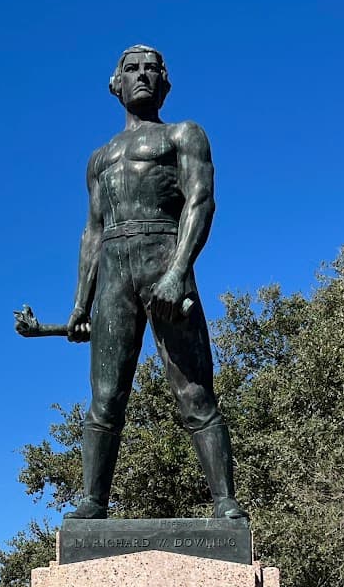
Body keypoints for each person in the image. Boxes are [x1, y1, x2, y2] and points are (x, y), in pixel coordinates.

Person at [64, 45, 246, 521]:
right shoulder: (98, 159)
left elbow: (200, 201)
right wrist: (81, 305)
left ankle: (225, 503)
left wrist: (178, 271)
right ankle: (93, 502)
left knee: (194, 392)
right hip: (114, 272)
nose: (141, 75)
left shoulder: (184, 134)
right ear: (115, 83)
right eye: (131, 69)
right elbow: (93, 230)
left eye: (151, 69)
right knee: (105, 397)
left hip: (163, 256)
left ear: (164, 82)